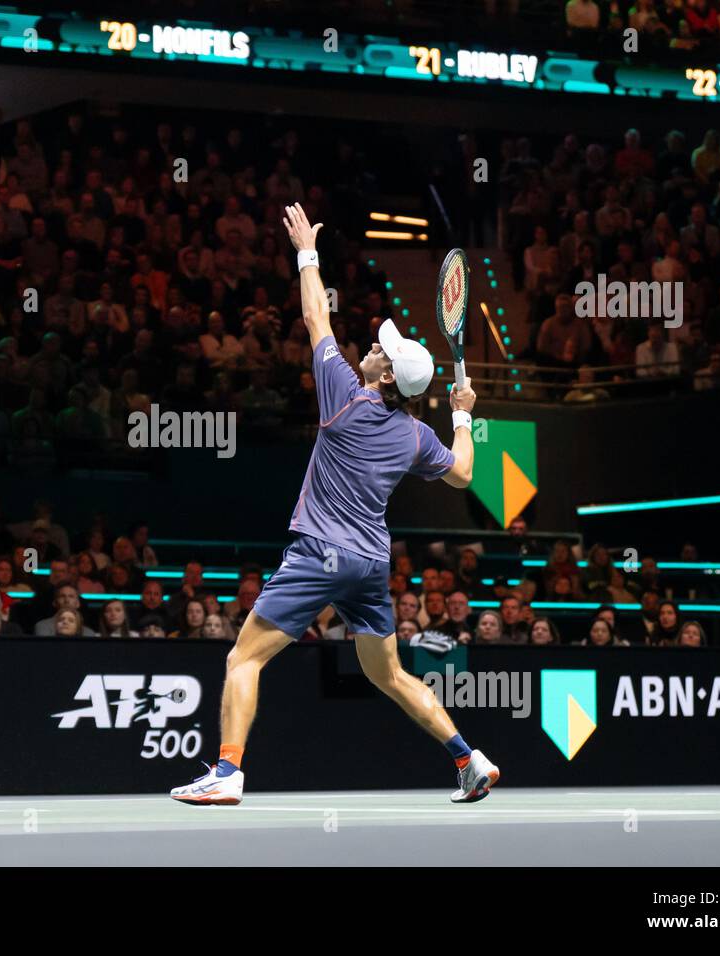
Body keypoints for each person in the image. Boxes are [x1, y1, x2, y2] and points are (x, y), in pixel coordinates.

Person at [171, 204, 499, 807]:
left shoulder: (344, 394)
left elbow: (314, 312)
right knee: (390, 674)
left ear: (381, 377)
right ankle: (469, 760)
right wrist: (462, 412)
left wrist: (306, 252)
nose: (372, 347)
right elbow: (464, 473)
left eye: (379, 350)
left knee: (242, 658)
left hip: (322, 552)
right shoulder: (414, 436)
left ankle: (228, 771)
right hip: (371, 564)